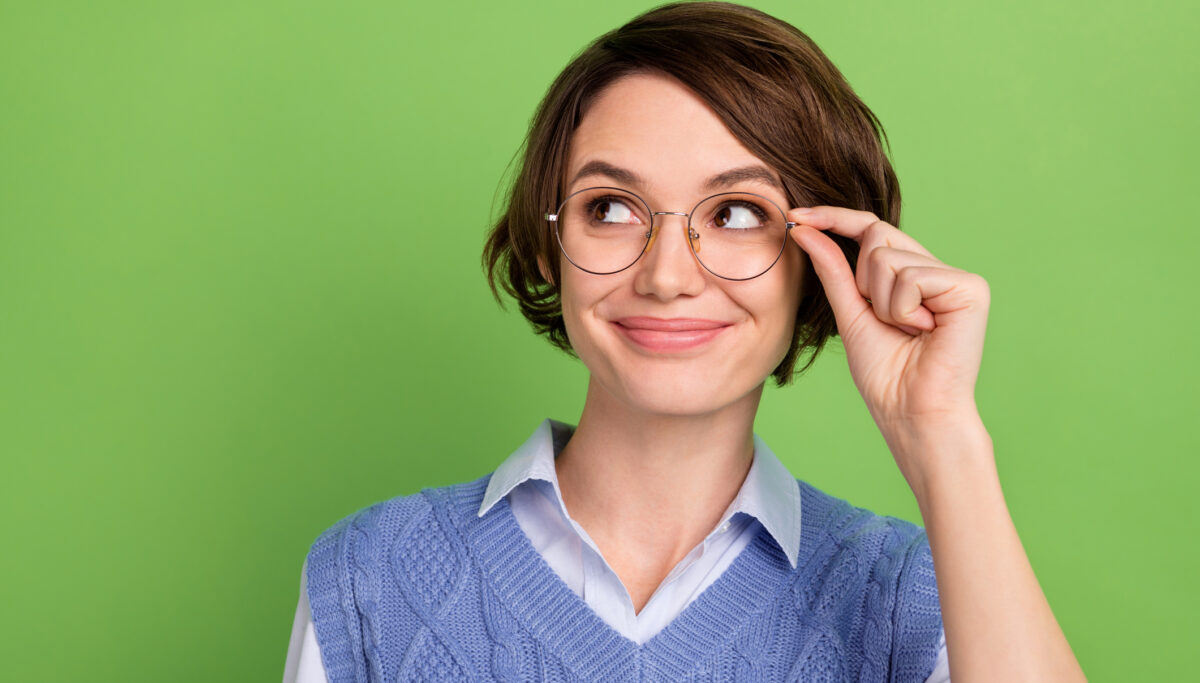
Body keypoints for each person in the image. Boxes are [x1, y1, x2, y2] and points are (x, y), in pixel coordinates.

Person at [283, 2, 1086, 681]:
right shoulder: (371, 579)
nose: (667, 276)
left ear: (824, 261)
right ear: (548, 245)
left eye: (736, 213)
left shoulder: (917, 597)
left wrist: (941, 433)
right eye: (610, 207)